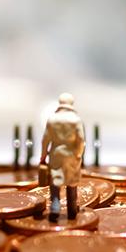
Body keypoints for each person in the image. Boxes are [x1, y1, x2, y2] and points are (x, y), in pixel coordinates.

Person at [39, 93, 86, 222]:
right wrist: (79, 154)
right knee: (71, 182)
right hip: (72, 155)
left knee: (55, 182)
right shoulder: (76, 120)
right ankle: (72, 211)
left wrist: (43, 156)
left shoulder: (52, 119)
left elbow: (45, 140)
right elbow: (81, 139)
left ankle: (55, 208)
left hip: (55, 155)